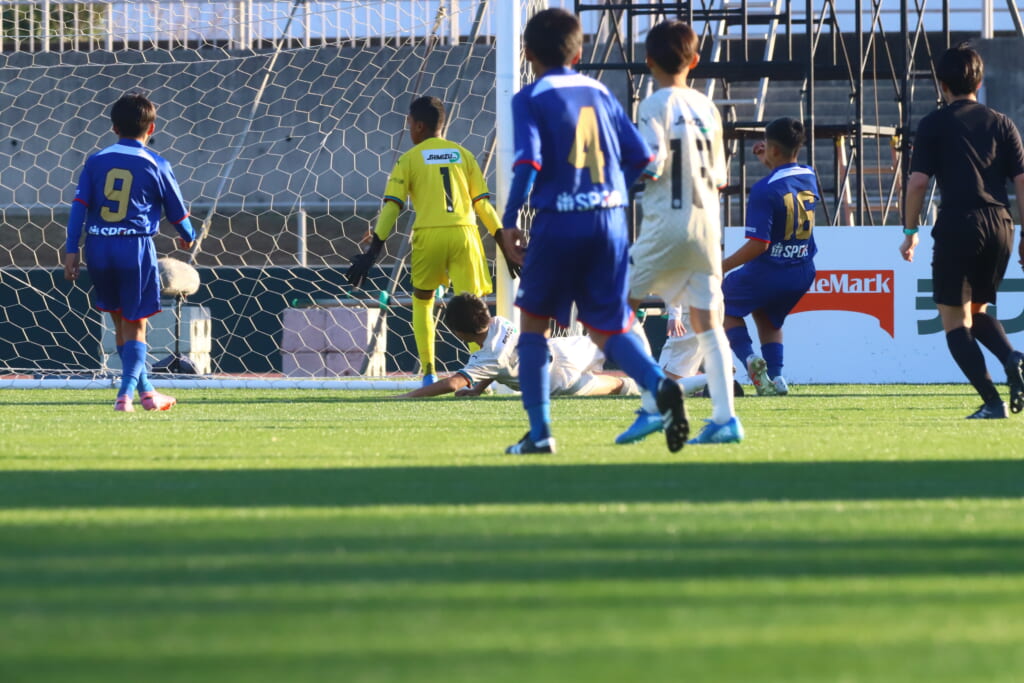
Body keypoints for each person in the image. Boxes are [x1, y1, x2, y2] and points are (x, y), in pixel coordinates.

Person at [496, 8, 687, 455]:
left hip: (558, 221)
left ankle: (540, 433)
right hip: (609, 221)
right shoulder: (600, 91)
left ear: (527, 53)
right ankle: (659, 384)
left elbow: (529, 162)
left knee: (533, 327)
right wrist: (608, 192)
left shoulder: (530, 97)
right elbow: (642, 159)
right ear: (579, 53)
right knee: (606, 326)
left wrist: (509, 221)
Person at [614, 19, 743, 446]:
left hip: (667, 223)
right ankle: (725, 419)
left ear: (648, 61)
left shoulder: (653, 105)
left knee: (617, 311)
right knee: (708, 323)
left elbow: (651, 165)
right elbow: (720, 179)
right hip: (707, 226)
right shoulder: (709, 108)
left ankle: (653, 402)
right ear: (696, 61)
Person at [346, 96, 516, 387]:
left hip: (429, 236)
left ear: (419, 126)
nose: (409, 128)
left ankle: (428, 372)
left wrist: (373, 251)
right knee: (473, 308)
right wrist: (504, 242)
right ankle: (480, 374)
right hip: (464, 234)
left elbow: (392, 207)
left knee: (423, 300)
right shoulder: (463, 154)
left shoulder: (409, 159)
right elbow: (483, 205)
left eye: (409, 123)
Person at [900, 43, 1024, 419]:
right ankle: (1012, 357)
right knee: (976, 309)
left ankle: (993, 401)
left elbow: (918, 182)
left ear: (942, 85)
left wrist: (910, 230)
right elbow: (1022, 180)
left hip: (959, 223)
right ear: (979, 83)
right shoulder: (1002, 122)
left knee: (954, 320)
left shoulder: (934, 123)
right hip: (1001, 224)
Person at [63, 92, 196, 412]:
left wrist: (71, 250)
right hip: (133, 246)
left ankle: (147, 392)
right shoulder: (156, 163)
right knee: (136, 324)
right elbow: (177, 213)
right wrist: (188, 236)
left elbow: (79, 206)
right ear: (151, 128)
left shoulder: (96, 161)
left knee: (120, 322)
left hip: (98, 246)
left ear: (114, 128)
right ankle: (124, 396)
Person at [721, 117, 819, 397]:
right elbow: (785, 177)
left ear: (773, 149)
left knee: (719, 304)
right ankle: (776, 377)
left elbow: (758, 245)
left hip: (770, 270)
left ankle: (749, 359)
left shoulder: (764, 189)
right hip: (802, 270)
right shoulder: (809, 174)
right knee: (768, 318)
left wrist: (721, 266)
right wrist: (770, 157)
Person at [394, 293, 639, 399]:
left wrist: (409, 395)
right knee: (613, 338)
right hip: (564, 349)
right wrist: (478, 389)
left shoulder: (486, 357)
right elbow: (496, 364)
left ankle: (650, 386)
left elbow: (452, 383)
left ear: (460, 333)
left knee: (618, 386)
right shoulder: (500, 322)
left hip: (558, 382)